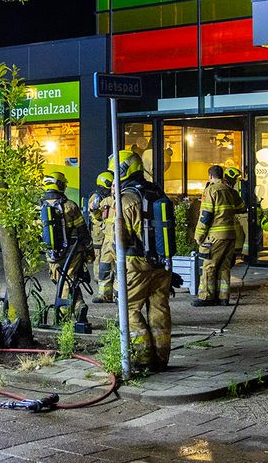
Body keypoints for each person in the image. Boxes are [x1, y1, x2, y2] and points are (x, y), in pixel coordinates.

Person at [108, 150, 172, 371]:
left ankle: (143, 359)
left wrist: (114, 274)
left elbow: (117, 241)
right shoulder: (155, 190)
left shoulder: (126, 199)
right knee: (159, 310)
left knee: (129, 311)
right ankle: (161, 359)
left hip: (135, 265)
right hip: (161, 265)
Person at [194, 164, 246, 306]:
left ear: (210, 176)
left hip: (215, 236)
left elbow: (205, 215)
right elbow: (242, 207)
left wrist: (198, 235)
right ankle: (223, 297)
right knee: (224, 266)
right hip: (230, 235)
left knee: (209, 266)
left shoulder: (211, 190)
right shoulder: (230, 191)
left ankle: (206, 297)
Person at [40, 170, 91, 313]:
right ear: (60, 185)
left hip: (51, 253)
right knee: (69, 279)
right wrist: (89, 250)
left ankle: (75, 308)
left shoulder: (38, 207)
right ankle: (68, 310)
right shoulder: (70, 206)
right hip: (73, 251)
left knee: (62, 280)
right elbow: (83, 231)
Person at [87, 170, 115, 302]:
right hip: (101, 234)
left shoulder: (113, 197)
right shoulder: (97, 197)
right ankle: (103, 290)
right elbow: (97, 216)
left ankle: (112, 293)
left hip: (111, 234)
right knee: (101, 261)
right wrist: (95, 210)